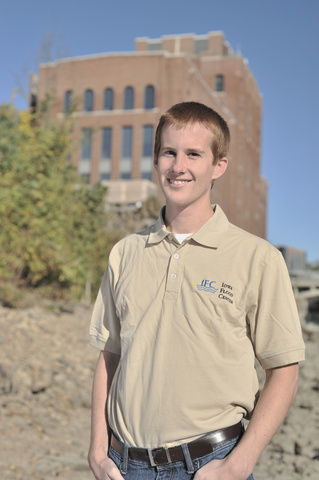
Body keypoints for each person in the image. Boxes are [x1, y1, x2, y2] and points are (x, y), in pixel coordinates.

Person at [88, 101, 305, 480]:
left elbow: (284, 369)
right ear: (156, 160)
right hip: (125, 465)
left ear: (218, 165)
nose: (178, 166)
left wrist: (239, 463)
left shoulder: (258, 258)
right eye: (169, 152)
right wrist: (96, 451)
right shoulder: (125, 253)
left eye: (193, 154)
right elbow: (110, 356)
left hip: (210, 465)